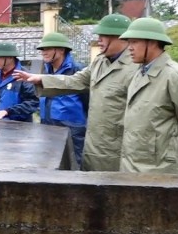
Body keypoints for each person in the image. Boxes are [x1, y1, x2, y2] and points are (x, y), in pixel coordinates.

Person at [12, 14, 138, 171]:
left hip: (115, 145)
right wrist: (40, 79)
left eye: (104, 36)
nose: (99, 40)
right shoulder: (100, 61)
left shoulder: (136, 67)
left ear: (121, 38)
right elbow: (76, 81)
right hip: (94, 143)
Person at [118, 17, 178, 173]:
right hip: (136, 163)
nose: (129, 47)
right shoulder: (139, 73)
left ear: (153, 42)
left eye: (135, 42)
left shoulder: (175, 76)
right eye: (129, 42)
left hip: (164, 167)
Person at [32, 32, 87, 168]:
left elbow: (88, 102)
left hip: (72, 131)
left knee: (74, 167)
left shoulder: (78, 71)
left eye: (48, 49)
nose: (43, 52)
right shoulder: (45, 70)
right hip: (47, 126)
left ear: (61, 50)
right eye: (42, 49)